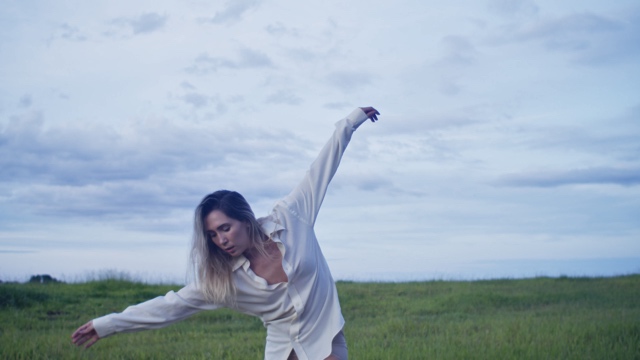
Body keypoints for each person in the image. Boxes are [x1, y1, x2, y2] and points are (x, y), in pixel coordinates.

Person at [72, 106, 381, 360]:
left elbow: (319, 171)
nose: (221, 240)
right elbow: (170, 306)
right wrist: (107, 324)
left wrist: (350, 122)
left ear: (245, 220)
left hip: (325, 339)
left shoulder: (292, 216)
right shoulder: (223, 281)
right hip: (281, 350)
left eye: (225, 228)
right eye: (212, 235)